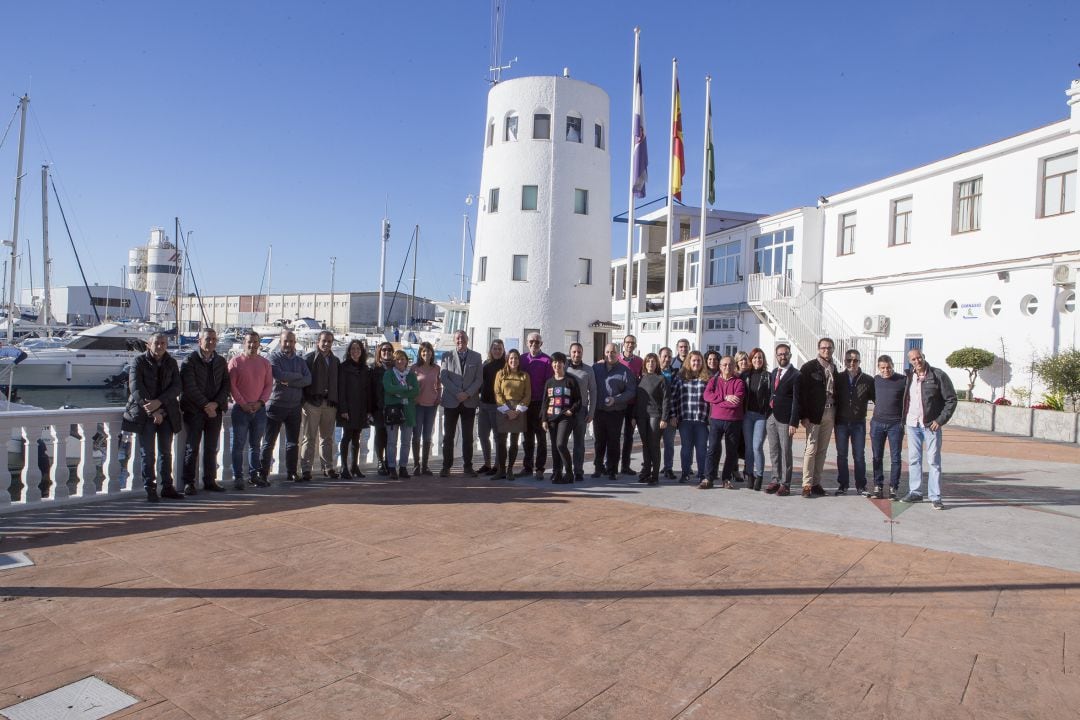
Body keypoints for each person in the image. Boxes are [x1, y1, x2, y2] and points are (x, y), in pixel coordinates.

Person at [124, 332, 183, 502]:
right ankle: (150, 487)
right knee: (147, 453)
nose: (160, 346)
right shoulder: (139, 361)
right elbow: (136, 388)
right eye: (157, 343)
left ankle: (167, 486)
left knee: (166, 452)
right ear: (149, 344)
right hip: (144, 413)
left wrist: (160, 403)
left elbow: (176, 387)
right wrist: (152, 410)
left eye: (163, 343)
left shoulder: (171, 362)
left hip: (166, 412)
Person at [901, 349, 957, 510]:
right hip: (912, 424)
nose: (917, 361)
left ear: (924, 357)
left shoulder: (938, 375)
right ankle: (915, 492)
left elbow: (951, 399)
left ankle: (935, 496)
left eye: (919, 357)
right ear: (910, 361)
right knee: (914, 460)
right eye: (913, 359)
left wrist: (940, 420)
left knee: (933, 461)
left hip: (930, 426)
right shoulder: (909, 376)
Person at [179, 328, 230, 495]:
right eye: (208, 339)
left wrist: (215, 404)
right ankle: (189, 482)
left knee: (211, 448)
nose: (211, 342)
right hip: (194, 411)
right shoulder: (189, 360)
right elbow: (189, 387)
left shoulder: (221, 361)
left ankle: (210, 480)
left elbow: (225, 386)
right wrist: (206, 405)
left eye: (214, 339)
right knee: (192, 447)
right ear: (199, 341)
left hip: (215, 411)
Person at [261, 330, 311, 483]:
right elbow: (279, 375)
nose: (288, 344)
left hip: (294, 407)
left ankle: (292, 472)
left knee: (292, 443)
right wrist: (297, 377)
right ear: (280, 342)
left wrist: (289, 381)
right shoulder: (273, 358)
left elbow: (308, 380)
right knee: (269, 443)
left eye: (291, 341)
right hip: (275, 406)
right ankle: (263, 474)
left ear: (295, 342)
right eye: (285, 341)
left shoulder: (301, 361)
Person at [228, 330, 273, 489]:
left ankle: (254, 475)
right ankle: (238, 476)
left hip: (259, 410)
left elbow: (268, 385)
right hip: (241, 410)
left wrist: (261, 402)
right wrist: (243, 403)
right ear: (244, 343)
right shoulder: (235, 362)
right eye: (249, 342)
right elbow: (232, 386)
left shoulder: (265, 363)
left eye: (255, 342)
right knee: (238, 445)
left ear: (259, 344)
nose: (252, 345)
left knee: (256, 445)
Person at [799, 337, 840, 498]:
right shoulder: (809, 368)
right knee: (811, 448)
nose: (826, 350)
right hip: (814, 414)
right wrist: (803, 415)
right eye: (823, 348)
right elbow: (802, 394)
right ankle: (807, 484)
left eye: (829, 348)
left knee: (822, 450)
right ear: (818, 349)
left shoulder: (834, 369)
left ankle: (816, 483)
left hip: (830, 412)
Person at [439, 330, 482, 477]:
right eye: (457, 338)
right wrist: (458, 392)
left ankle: (468, 466)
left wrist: (467, 394)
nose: (460, 340)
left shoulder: (476, 357)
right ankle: (446, 466)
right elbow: (443, 377)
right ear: (454, 340)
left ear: (467, 340)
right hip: (452, 401)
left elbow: (478, 380)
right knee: (448, 436)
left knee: (468, 437)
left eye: (463, 338)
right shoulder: (447, 356)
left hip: (469, 402)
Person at [592, 343, 636, 481]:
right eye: (607, 352)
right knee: (599, 441)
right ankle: (598, 468)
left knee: (613, 441)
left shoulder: (625, 371)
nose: (610, 354)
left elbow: (631, 391)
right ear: (604, 353)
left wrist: (616, 399)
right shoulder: (596, 368)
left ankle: (612, 470)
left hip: (616, 412)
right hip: (599, 411)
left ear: (618, 354)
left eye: (613, 352)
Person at [834, 348, 875, 495]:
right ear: (844, 361)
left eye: (855, 360)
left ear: (859, 361)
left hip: (858, 423)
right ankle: (843, 485)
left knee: (859, 455)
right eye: (849, 360)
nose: (852, 363)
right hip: (841, 423)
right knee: (842, 455)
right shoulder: (838, 378)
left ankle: (861, 485)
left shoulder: (868, 380)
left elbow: (878, 400)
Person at [300, 330, 340, 481]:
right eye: (324, 341)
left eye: (329, 341)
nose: (326, 344)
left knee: (327, 437)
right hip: (312, 403)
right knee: (309, 437)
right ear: (318, 342)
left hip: (330, 404)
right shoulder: (309, 359)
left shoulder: (335, 361)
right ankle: (306, 469)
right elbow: (302, 382)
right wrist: (304, 402)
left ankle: (328, 467)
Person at [703, 356, 746, 489]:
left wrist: (717, 401)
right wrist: (725, 397)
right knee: (712, 449)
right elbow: (706, 396)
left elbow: (736, 402)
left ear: (734, 366)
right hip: (716, 420)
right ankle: (708, 478)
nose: (727, 367)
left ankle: (726, 478)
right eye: (724, 365)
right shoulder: (714, 380)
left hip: (734, 421)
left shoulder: (739, 382)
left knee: (731, 452)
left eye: (730, 365)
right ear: (720, 367)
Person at [764, 343, 799, 497]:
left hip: (785, 419)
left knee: (785, 451)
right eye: (779, 354)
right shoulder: (773, 372)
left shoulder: (796, 375)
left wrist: (793, 421)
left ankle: (785, 483)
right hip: (771, 416)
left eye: (785, 354)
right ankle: (775, 479)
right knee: (774, 450)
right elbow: (773, 393)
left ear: (790, 355)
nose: (782, 356)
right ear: (776, 356)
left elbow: (798, 400)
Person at [336, 339, 375, 479]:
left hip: (361, 407)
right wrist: (343, 409)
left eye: (358, 349)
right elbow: (341, 389)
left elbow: (368, 391)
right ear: (348, 351)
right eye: (352, 349)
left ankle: (354, 466)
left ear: (362, 351)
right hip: (348, 407)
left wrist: (369, 410)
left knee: (356, 438)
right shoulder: (343, 367)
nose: (355, 351)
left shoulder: (366, 369)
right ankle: (344, 467)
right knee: (346, 437)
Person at [541, 352, 581, 484]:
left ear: (564, 364)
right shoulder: (549, 382)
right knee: (554, 447)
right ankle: (557, 472)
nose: (557, 364)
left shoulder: (571, 380)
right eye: (554, 362)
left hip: (565, 417)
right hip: (552, 418)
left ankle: (569, 473)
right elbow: (545, 402)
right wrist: (544, 419)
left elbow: (578, 400)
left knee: (560, 444)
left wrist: (571, 410)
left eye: (559, 362)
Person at [869, 354, 905, 500]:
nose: (886, 370)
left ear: (892, 365)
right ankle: (878, 485)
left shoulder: (902, 380)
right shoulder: (875, 380)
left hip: (895, 424)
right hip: (877, 423)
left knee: (896, 458)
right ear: (878, 368)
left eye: (888, 367)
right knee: (877, 457)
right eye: (883, 368)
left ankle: (893, 487)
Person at [670, 351, 709, 485]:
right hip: (685, 419)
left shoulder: (707, 378)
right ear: (689, 361)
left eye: (698, 361)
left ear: (702, 363)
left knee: (701, 448)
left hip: (701, 420)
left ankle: (702, 474)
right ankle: (685, 473)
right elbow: (673, 398)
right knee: (686, 448)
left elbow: (711, 401)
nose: (696, 363)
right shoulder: (680, 377)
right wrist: (673, 415)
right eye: (693, 360)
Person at [493, 348, 531, 480]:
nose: (514, 361)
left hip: (518, 410)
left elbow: (527, 395)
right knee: (501, 441)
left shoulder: (524, 375)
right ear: (507, 360)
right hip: (504, 409)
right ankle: (501, 470)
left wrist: (517, 411)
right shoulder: (501, 374)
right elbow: (497, 393)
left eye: (516, 358)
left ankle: (510, 469)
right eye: (511, 358)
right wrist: (507, 410)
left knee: (514, 442)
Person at [520, 332, 553, 479]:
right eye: (531, 341)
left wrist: (547, 406)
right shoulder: (521, 359)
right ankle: (527, 467)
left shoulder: (547, 360)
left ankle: (540, 468)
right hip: (525, 403)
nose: (534, 344)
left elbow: (549, 385)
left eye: (537, 342)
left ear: (541, 344)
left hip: (540, 403)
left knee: (541, 438)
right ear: (527, 343)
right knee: (527, 438)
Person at [382, 349, 419, 479]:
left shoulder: (411, 375)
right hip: (393, 411)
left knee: (406, 441)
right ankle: (392, 467)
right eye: (397, 359)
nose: (400, 361)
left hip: (408, 411)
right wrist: (404, 389)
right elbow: (388, 388)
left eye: (402, 359)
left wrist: (398, 393)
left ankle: (403, 467)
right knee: (392, 441)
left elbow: (415, 391)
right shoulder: (389, 374)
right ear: (394, 361)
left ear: (406, 361)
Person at [634, 352, 670, 486]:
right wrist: (633, 416)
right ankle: (646, 472)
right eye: (648, 361)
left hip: (656, 415)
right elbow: (637, 399)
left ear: (657, 364)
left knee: (654, 445)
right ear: (645, 364)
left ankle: (655, 475)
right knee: (645, 445)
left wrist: (664, 418)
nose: (650, 364)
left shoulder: (661, 379)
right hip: (642, 416)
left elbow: (666, 400)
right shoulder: (640, 379)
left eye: (653, 362)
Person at [566, 342, 596, 484]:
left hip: (581, 411)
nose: (576, 354)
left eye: (579, 352)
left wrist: (591, 411)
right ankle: (564, 470)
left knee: (579, 443)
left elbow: (593, 391)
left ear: (582, 353)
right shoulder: (563, 368)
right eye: (574, 352)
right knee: (562, 442)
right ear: (570, 353)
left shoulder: (588, 370)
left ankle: (578, 471)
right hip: (564, 411)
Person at [740, 347, 770, 491]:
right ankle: (749, 474)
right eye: (755, 358)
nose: (758, 360)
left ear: (763, 360)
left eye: (760, 357)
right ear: (751, 360)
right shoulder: (745, 375)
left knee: (757, 446)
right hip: (747, 415)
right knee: (749, 449)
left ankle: (759, 475)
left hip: (761, 416)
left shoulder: (768, 376)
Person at [410, 342, 441, 476]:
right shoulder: (414, 368)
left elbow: (439, 386)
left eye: (428, 351)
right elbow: (409, 385)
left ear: (432, 353)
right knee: (416, 435)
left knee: (427, 436)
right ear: (420, 353)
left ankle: (425, 465)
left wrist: (439, 397)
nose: (426, 354)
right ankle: (416, 465)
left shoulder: (436, 368)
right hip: (418, 406)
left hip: (431, 406)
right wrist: (413, 397)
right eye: (423, 351)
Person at [477, 339, 506, 475]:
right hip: (483, 405)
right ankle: (487, 463)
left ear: (503, 350)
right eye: (495, 348)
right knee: (483, 435)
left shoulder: (506, 366)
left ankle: (498, 465)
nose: (497, 351)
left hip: (498, 406)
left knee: (498, 437)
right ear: (491, 350)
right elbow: (479, 383)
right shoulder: (485, 364)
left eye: (499, 349)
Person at [618, 334, 644, 476]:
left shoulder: (640, 361)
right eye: (627, 342)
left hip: (632, 404)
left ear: (635, 345)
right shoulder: (616, 359)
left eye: (632, 343)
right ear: (623, 344)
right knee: (614, 436)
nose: (629, 345)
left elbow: (642, 381)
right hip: (616, 404)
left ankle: (625, 466)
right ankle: (610, 465)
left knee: (628, 436)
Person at [372, 342, 395, 475]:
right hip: (378, 407)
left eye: (389, 350)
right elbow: (370, 391)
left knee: (391, 436)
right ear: (379, 353)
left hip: (393, 408)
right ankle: (380, 461)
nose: (387, 352)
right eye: (384, 350)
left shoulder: (396, 369)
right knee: (380, 434)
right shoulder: (374, 370)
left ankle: (388, 460)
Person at [658, 347, 679, 480]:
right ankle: (652, 466)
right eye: (665, 356)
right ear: (660, 357)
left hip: (670, 415)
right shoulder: (652, 373)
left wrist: (673, 415)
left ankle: (668, 468)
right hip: (655, 415)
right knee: (653, 444)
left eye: (669, 357)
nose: (667, 359)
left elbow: (676, 397)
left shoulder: (675, 374)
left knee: (669, 444)